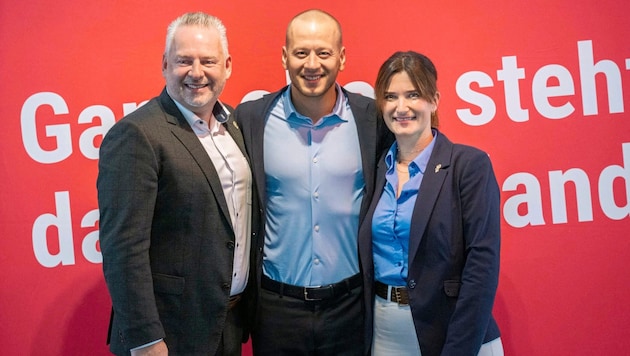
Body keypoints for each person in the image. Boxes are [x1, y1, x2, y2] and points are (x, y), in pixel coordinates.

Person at [97, 12, 255, 356]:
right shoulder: (137, 135)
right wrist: (146, 340)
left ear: (227, 66)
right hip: (168, 335)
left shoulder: (235, 126)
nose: (196, 73)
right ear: (165, 64)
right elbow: (123, 248)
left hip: (226, 326)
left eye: (208, 61)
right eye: (184, 60)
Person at [233, 9, 390, 355]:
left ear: (342, 57)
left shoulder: (372, 120)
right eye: (301, 53)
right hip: (276, 310)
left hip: (350, 307)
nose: (312, 64)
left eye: (323, 52)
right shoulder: (250, 120)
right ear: (285, 56)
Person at [358, 51, 504, 356]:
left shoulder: (469, 165)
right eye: (390, 97)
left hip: (455, 333)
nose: (401, 107)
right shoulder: (376, 171)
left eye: (413, 95)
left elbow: (482, 269)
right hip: (386, 333)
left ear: (434, 100)